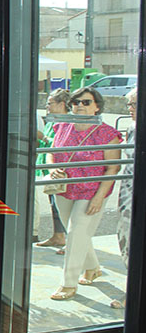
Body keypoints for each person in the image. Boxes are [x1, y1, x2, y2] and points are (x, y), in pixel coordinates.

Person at [48, 87, 121, 301]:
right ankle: (93, 268)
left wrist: (100, 197)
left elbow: (112, 168)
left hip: (91, 191)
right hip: (64, 188)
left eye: (86, 102)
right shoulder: (63, 126)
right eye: (77, 101)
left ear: (97, 107)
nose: (80, 105)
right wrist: (53, 170)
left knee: (77, 229)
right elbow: (52, 153)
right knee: (77, 233)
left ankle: (68, 283)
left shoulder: (107, 134)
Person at [35, 88, 71, 248]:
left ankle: (68, 240)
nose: (47, 106)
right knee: (54, 203)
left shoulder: (68, 123)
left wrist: (43, 137)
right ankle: (58, 236)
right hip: (50, 167)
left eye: (50, 103)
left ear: (62, 104)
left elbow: (60, 145)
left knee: (63, 206)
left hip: (60, 169)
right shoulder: (53, 120)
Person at [113, 87, 137, 309]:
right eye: (129, 104)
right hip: (128, 192)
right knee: (125, 238)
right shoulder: (132, 126)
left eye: (134, 104)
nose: (130, 109)